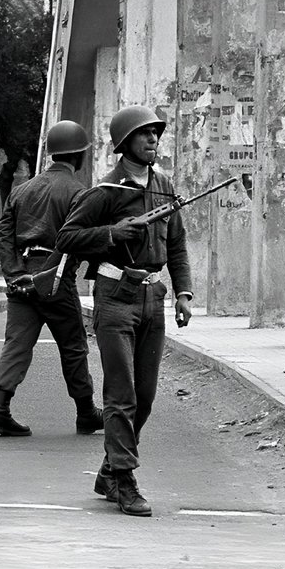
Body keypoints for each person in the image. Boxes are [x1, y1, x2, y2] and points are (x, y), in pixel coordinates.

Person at [56, 105, 193, 517]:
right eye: (144, 134)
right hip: (115, 295)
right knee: (122, 394)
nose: (153, 140)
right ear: (125, 142)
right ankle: (125, 479)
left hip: (153, 299)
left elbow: (177, 246)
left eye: (156, 133)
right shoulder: (105, 190)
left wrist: (184, 292)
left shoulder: (165, 186)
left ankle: (109, 471)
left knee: (146, 398)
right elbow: (68, 237)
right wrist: (113, 233)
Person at [0, 120, 103, 437]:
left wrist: (16, 276)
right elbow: (76, 240)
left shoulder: (20, 191)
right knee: (74, 346)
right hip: (55, 278)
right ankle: (85, 412)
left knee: (16, 345)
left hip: (22, 277)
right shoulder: (80, 193)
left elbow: (4, 239)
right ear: (78, 155)